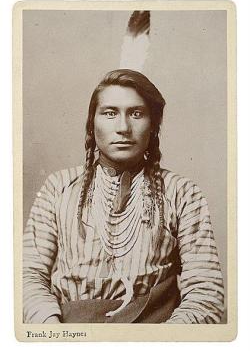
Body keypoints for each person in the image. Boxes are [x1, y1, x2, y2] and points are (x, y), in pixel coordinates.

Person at [23, 69, 224, 324]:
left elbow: (206, 292)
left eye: (136, 113)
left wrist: (161, 340)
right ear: (92, 124)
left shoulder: (182, 193)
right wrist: (53, 332)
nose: (123, 128)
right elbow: (27, 276)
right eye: (110, 113)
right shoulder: (58, 187)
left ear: (153, 126)